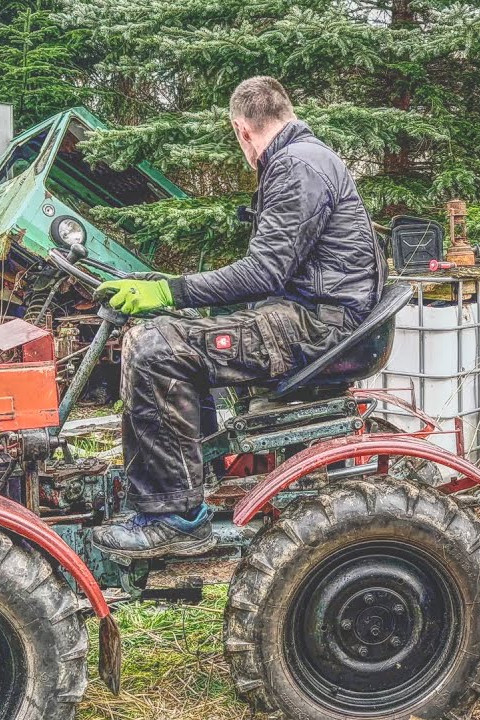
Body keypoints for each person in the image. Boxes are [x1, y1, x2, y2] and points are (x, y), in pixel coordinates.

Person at [89, 76, 384, 559]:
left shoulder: (296, 166)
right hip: (312, 312)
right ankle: (192, 474)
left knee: (155, 348)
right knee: (169, 332)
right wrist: (168, 290)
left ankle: (172, 517)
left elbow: (265, 272)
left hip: (318, 323)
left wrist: (169, 290)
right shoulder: (305, 158)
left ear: (241, 130)